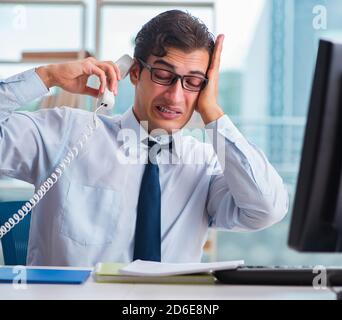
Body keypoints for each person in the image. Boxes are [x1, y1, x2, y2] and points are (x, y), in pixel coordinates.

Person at [0, 10, 288, 266]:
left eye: (193, 82)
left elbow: (266, 209)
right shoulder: (66, 133)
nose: (175, 96)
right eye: (163, 75)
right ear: (135, 72)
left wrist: (212, 112)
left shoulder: (206, 165)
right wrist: (46, 77)